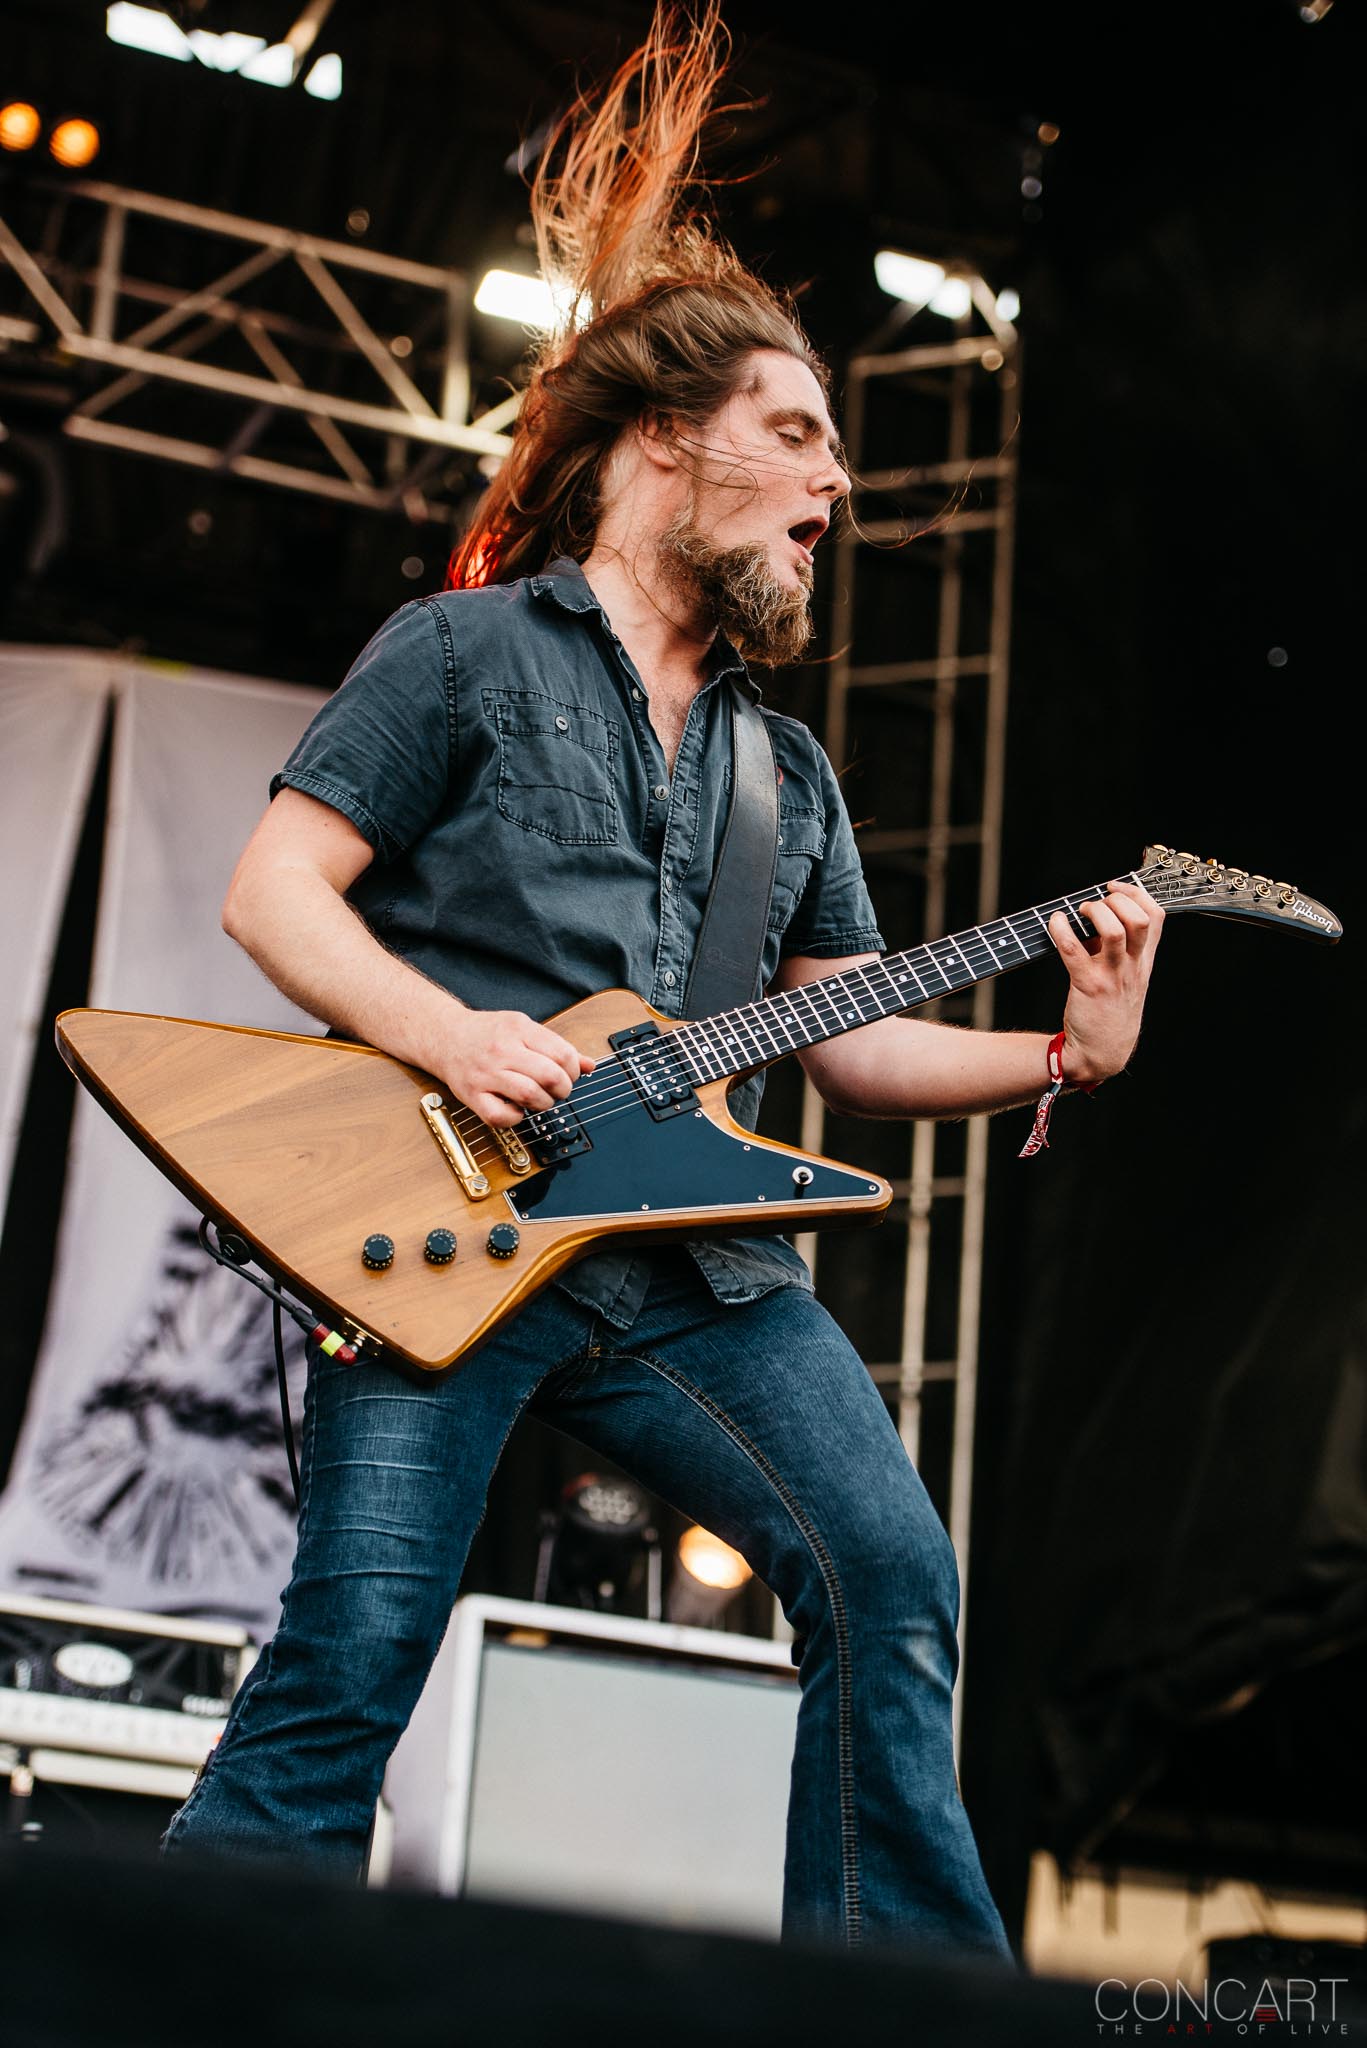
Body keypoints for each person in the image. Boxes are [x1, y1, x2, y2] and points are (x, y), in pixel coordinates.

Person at [161, 5, 1161, 1957]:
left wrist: (1064, 1044)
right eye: (796, 435)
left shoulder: (790, 770)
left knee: (889, 1570)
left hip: (698, 1264)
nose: (835, 484)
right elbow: (276, 894)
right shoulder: (462, 656)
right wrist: (462, 1036)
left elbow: (850, 1032)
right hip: (438, 1236)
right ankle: (182, 1989)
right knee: (351, 1652)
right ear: (662, 440)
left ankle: (901, 2001)